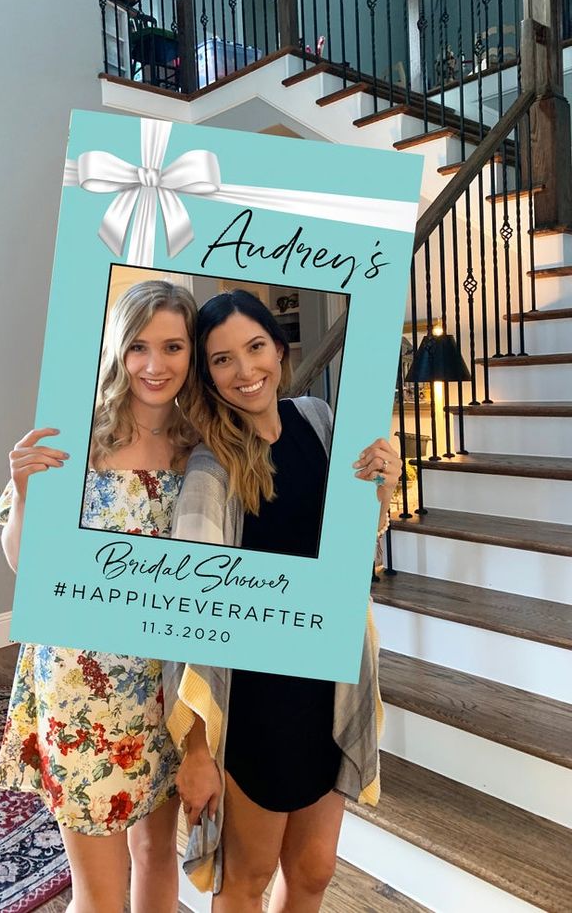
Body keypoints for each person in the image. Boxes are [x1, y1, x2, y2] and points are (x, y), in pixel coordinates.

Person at [163, 289, 401, 913]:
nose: (245, 371)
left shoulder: (318, 420)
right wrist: (194, 750)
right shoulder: (212, 467)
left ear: (280, 347)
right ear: (207, 376)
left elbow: (354, 548)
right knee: (248, 876)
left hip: (327, 680)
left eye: (256, 347)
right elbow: (187, 611)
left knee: (316, 869)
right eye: (222, 360)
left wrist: (382, 485)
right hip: (257, 697)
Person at [0, 279, 199, 913]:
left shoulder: (203, 450)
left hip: (165, 688)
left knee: (158, 857)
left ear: (192, 354)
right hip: (81, 687)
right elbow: (26, 565)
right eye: (138, 347)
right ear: (118, 350)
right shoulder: (73, 439)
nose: (154, 365)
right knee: (100, 892)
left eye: (172, 346)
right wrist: (24, 496)